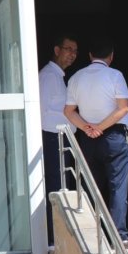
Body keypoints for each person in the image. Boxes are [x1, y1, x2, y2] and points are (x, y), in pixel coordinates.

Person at [63, 37, 128, 247]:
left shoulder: (76, 77)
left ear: (89, 55)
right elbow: (123, 108)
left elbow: (68, 111)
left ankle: (91, 238)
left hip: (88, 139)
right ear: (111, 56)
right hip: (113, 136)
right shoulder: (115, 75)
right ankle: (120, 237)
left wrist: (88, 128)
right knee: (118, 188)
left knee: (91, 188)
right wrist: (101, 128)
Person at [38, 32, 79, 217]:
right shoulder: (48, 76)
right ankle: (53, 237)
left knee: (62, 186)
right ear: (56, 50)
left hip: (60, 140)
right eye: (68, 49)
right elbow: (40, 111)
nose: (72, 54)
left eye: (75, 51)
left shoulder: (59, 77)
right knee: (56, 186)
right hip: (52, 139)